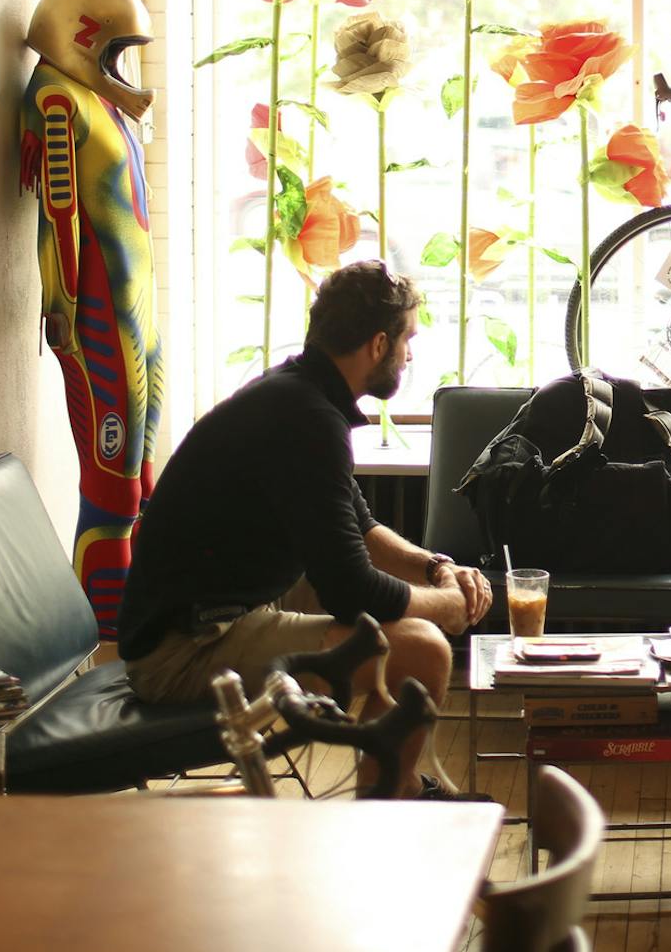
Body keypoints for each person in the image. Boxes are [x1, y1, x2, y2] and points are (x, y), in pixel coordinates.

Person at [118, 260, 493, 796]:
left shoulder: (296, 395)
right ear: (378, 344)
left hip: (218, 618)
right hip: (182, 654)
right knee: (424, 648)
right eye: (407, 339)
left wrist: (436, 569)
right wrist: (447, 606)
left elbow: (359, 524)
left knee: (406, 624)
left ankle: (387, 790)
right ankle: (394, 796)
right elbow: (350, 590)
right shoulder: (306, 418)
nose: (410, 354)